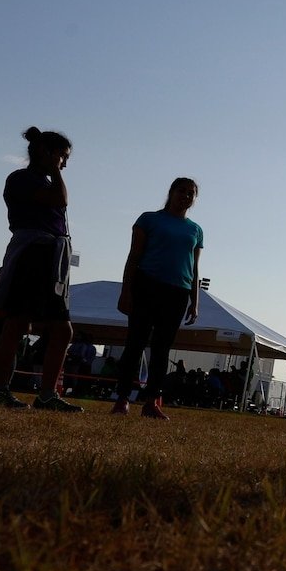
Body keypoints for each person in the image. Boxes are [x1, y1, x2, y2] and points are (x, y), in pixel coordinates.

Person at [0, 127, 82, 411]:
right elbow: (59, 200)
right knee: (16, 323)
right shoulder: (21, 179)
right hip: (32, 252)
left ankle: (47, 394)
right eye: (62, 156)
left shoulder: (43, 181)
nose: (64, 163)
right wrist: (56, 171)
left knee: (62, 329)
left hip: (53, 254)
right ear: (48, 154)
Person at [111, 178, 203, 420]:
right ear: (171, 192)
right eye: (181, 191)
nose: (185, 196)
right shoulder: (149, 219)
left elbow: (194, 267)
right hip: (147, 284)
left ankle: (151, 402)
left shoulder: (195, 230)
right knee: (135, 343)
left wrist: (195, 300)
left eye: (191, 193)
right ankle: (122, 399)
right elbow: (134, 255)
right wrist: (126, 290)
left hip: (178, 291)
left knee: (162, 349)